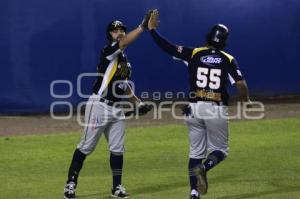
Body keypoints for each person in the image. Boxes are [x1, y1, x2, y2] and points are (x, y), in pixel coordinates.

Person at [147, 10, 251, 199]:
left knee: (195, 152)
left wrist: (152, 30)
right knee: (220, 150)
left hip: (193, 109)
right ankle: (204, 168)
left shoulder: (194, 53)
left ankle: (194, 193)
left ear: (208, 38)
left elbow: (168, 47)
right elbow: (241, 84)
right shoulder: (227, 59)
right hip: (214, 109)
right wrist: (246, 100)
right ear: (224, 41)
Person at [64, 12, 153, 199]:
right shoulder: (109, 52)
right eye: (115, 30)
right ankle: (70, 185)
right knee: (86, 146)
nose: (119, 32)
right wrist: (142, 27)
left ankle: (117, 187)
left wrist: (137, 102)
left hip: (116, 108)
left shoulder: (125, 61)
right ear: (109, 35)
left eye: (121, 30)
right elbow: (124, 43)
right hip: (99, 105)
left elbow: (124, 85)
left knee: (118, 149)